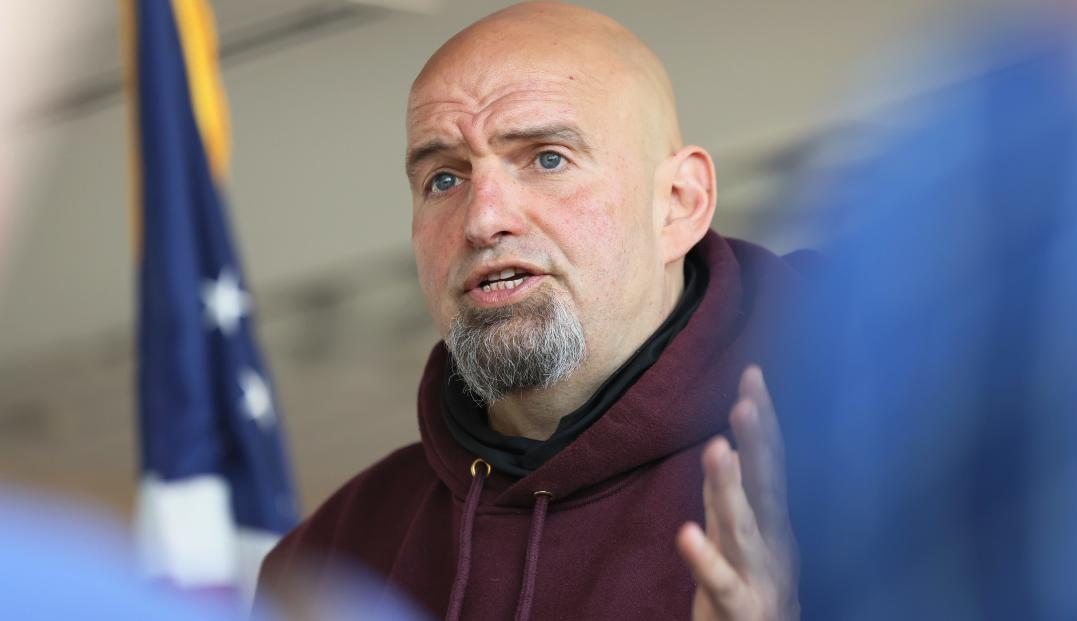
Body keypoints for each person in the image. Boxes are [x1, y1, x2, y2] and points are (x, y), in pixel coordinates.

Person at [258, 3, 803, 620]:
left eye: (547, 158)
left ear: (679, 203)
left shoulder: (866, 432)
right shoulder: (336, 558)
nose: (483, 220)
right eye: (443, 179)